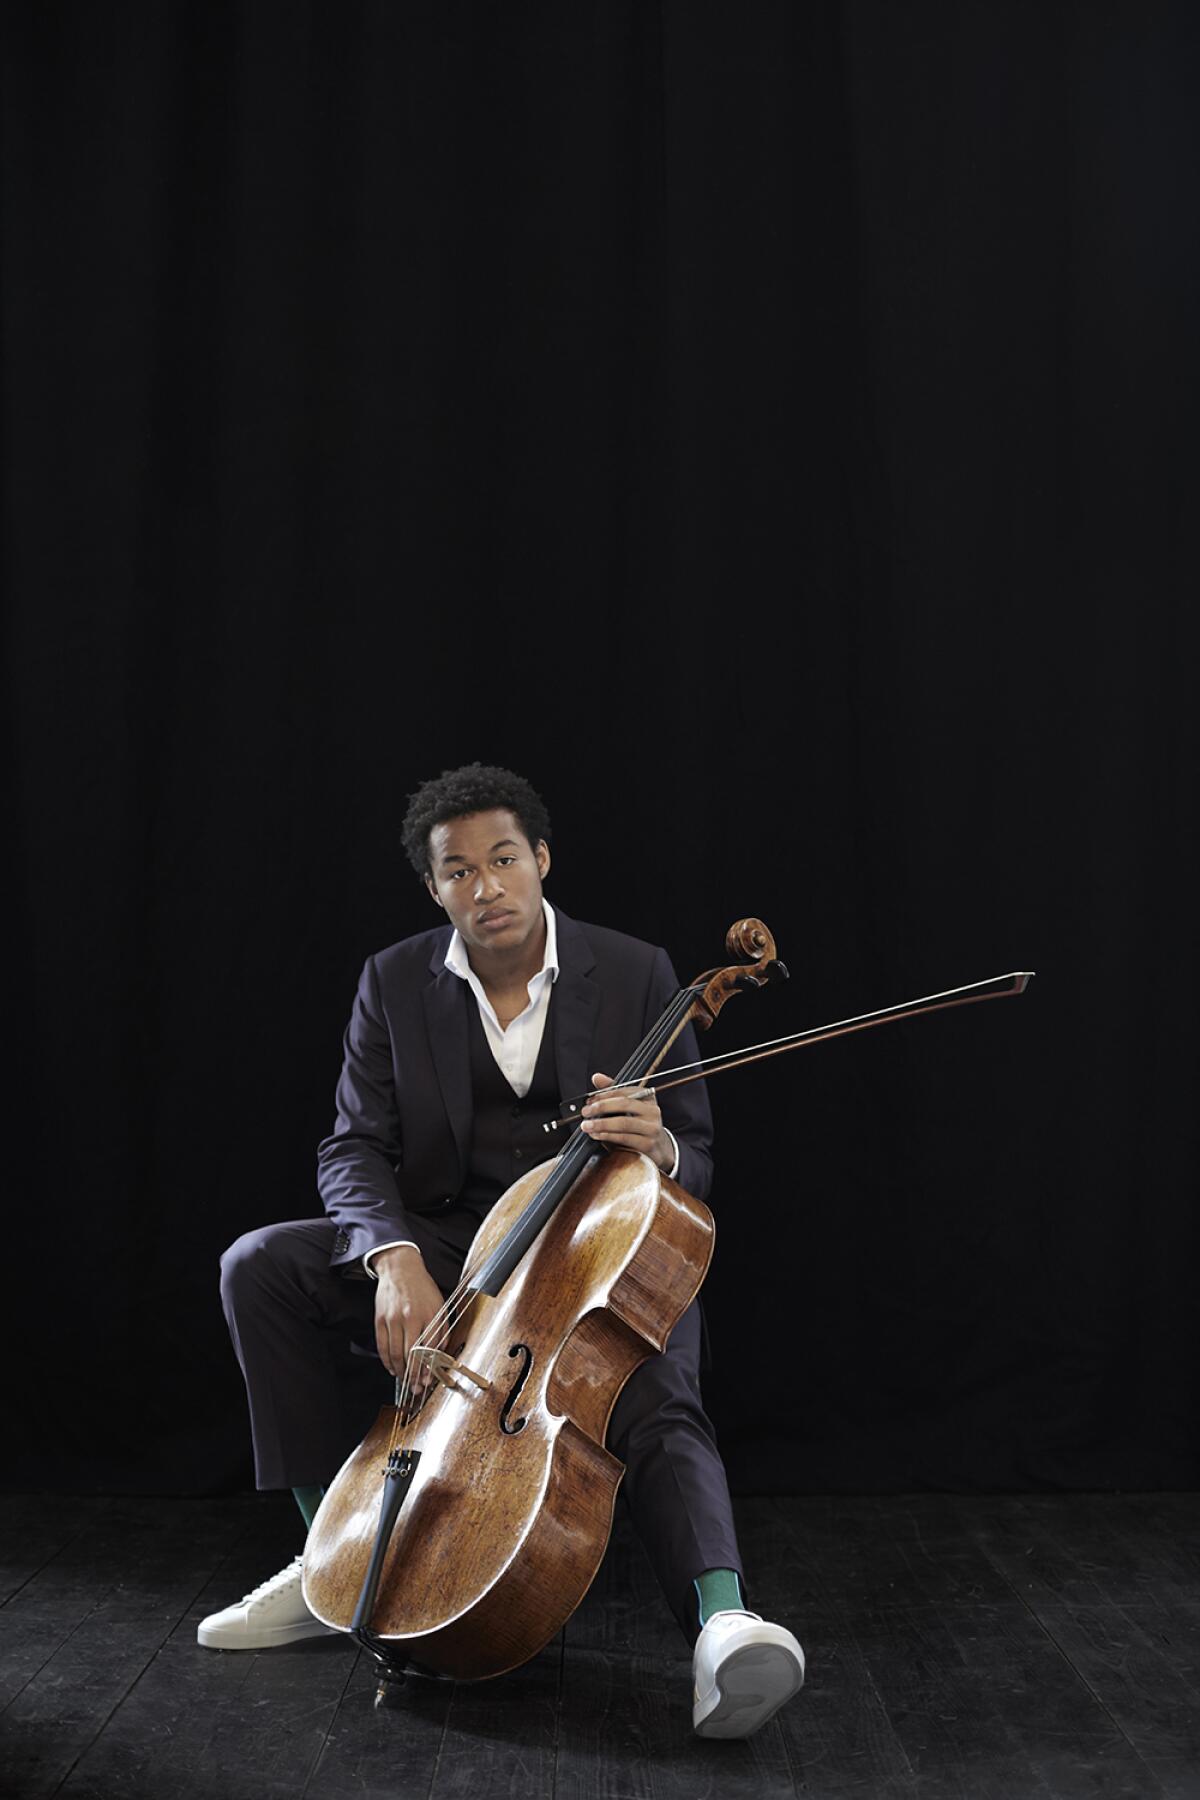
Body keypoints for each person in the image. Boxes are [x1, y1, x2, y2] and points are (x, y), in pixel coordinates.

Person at [200, 763, 804, 1739]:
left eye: (504, 860)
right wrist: (392, 1256)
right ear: (434, 888)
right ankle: (333, 1559)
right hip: (447, 1236)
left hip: (590, 1239)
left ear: (542, 861)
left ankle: (725, 1619)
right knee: (258, 1267)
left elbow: (694, 1157)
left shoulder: (642, 971)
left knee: (652, 1377)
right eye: (459, 871)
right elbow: (353, 1144)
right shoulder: (393, 980)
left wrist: (656, 1144)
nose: (486, 886)